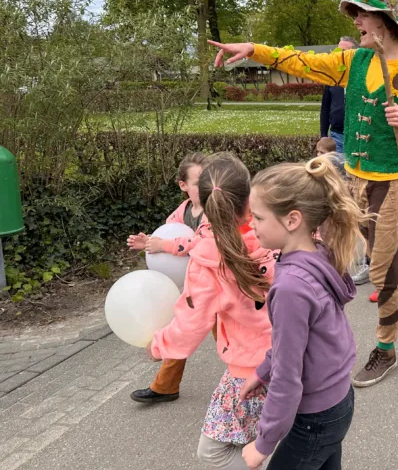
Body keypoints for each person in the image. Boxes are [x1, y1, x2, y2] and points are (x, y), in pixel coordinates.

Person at [208, 0, 398, 388]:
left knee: (381, 270)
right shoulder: (353, 62)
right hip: (351, 180)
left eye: (362, 15)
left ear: (384, 23)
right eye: (354, 14)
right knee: (380, 265)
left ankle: (386, 349)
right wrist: (257, 50)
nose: (355, 21)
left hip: (390, 182)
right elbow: (303, 62)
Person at [149, 153, 276, 469]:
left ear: (203, 202)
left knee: (214, 452)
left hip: (250, 370)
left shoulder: (206, 257)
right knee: (272, 439)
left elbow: (191, 325)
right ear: (249, 193)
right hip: (294, 357)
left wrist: (159, 344)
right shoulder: (277, 230)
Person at [239, 157, 361, 470]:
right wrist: (262, 370)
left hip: (315, 418)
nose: (251, 224)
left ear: (292, 220)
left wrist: (263, 444)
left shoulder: (291, 287)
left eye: (259, 217)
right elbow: (295, 343)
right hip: (338, 400)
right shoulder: (317, 254)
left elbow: (288, 378)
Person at [127, 153, 208, 405]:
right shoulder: (180, 213)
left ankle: (259, 379)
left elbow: (199, 243)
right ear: (183, 186)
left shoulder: (215, 211)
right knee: (181, 328)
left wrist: (165, 244)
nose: (206, 187)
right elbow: (169, 239)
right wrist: (150, 243)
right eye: (198, 183)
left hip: (218, 282)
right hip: (192, 283)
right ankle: (165, 386)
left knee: (233, 334)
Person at [318, 36, 357, 153]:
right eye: (338, 51)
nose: (340, 55)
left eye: (344, 52)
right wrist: (324, 134)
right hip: (336, 136)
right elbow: (325, 107)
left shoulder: (363, 78)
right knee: (336, 170)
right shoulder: (332, 78)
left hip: (357, 137)